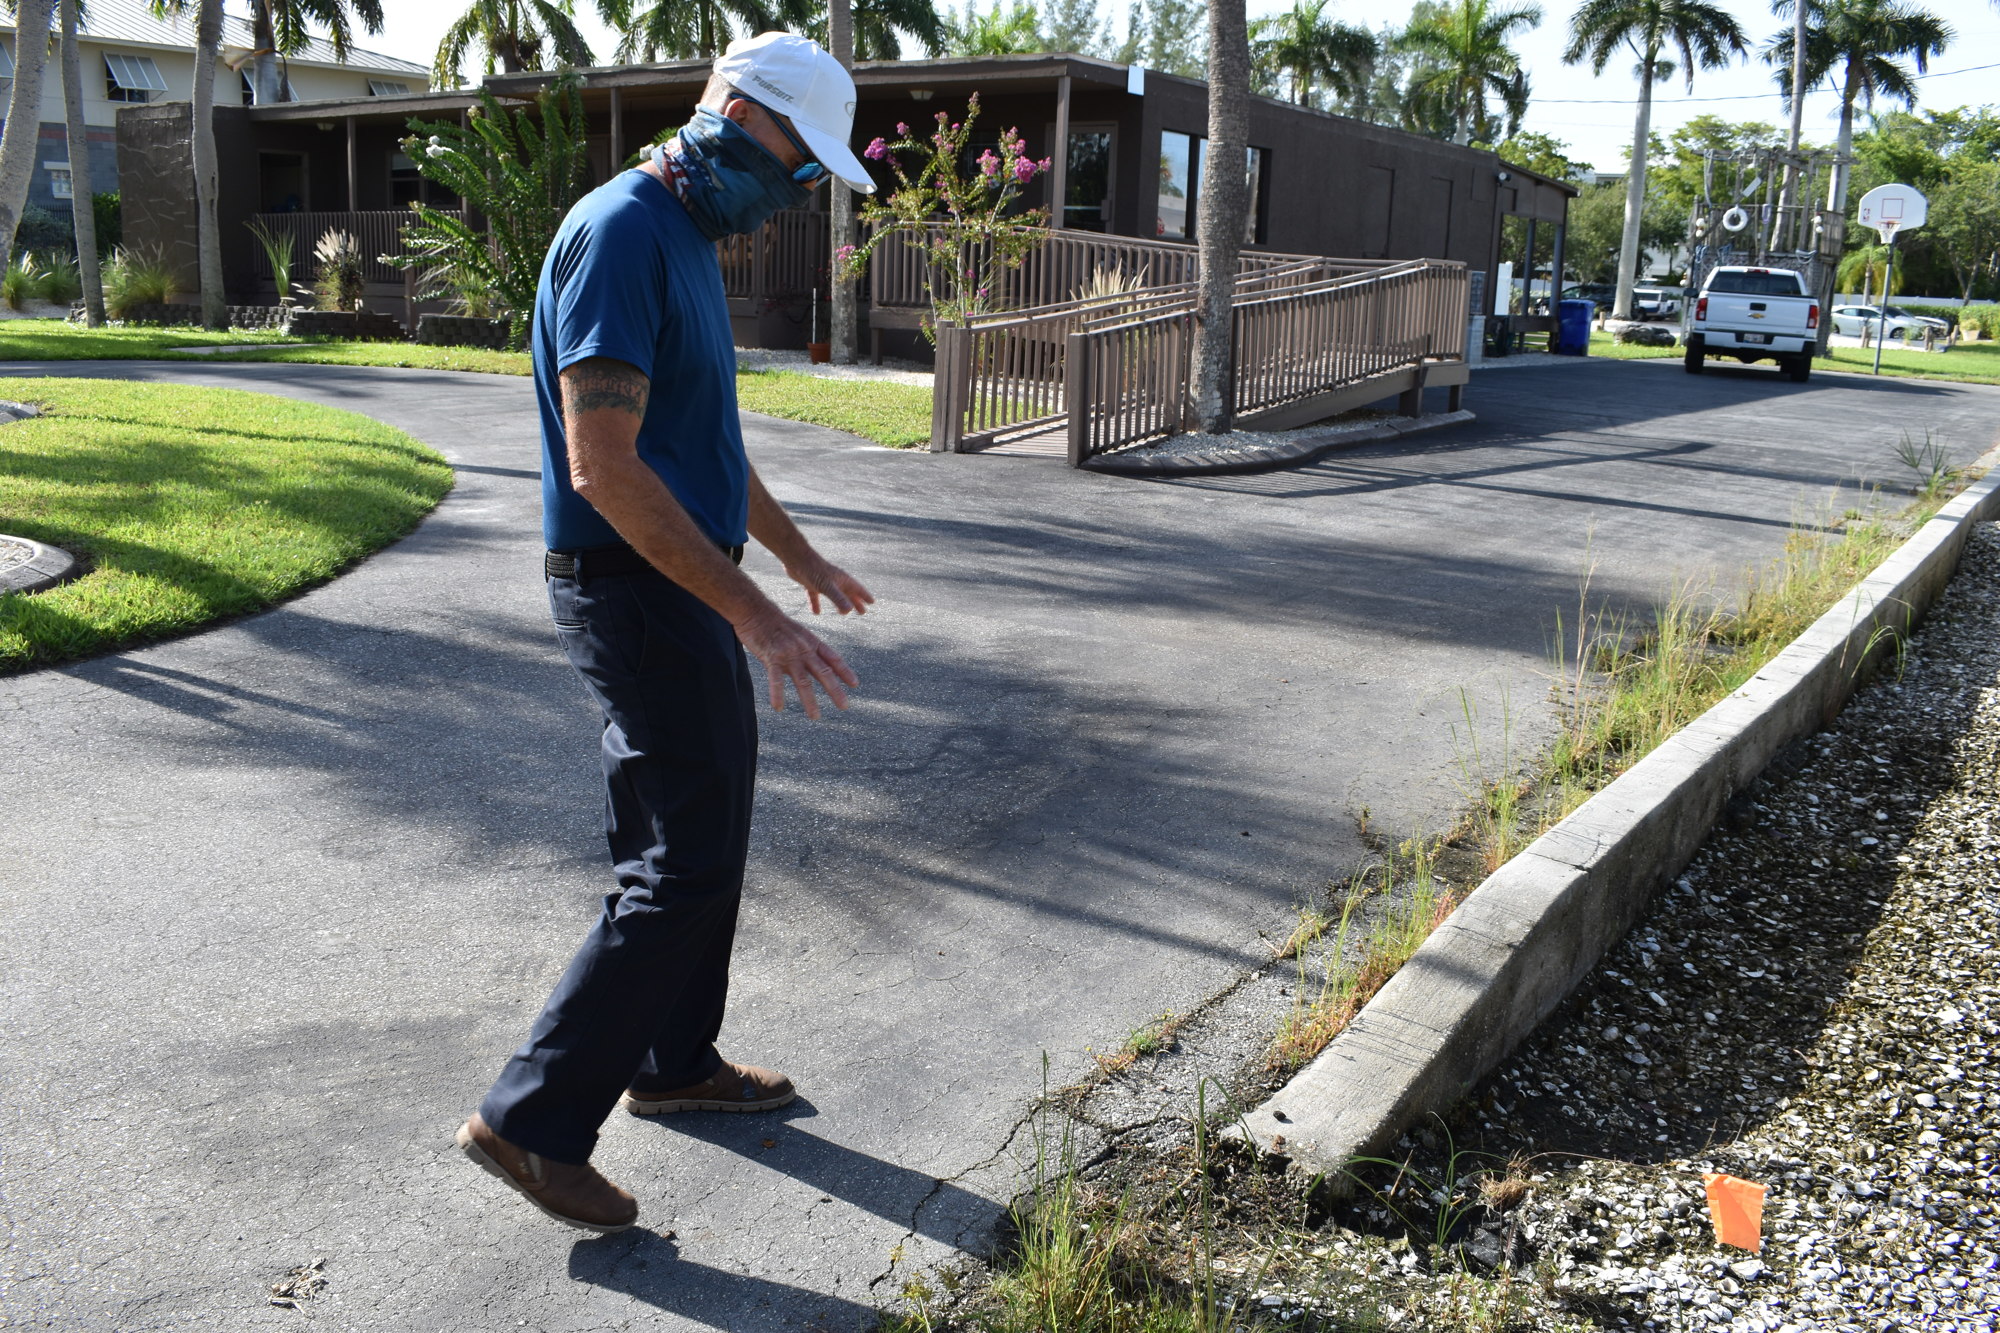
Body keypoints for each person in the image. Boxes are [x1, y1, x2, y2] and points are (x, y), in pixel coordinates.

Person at [456, 32, 878, 1234]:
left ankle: (674, 1060)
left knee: (696, 831)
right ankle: (531, 1121)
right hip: (636, 586)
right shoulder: (621, 236)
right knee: (679, 860)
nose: (802, 188)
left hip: (682, 583)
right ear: (738, 115)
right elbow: (605, 467)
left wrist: (794, 561)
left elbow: (705, 448)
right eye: (801, 158)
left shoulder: (684, 240)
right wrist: (753, 617)